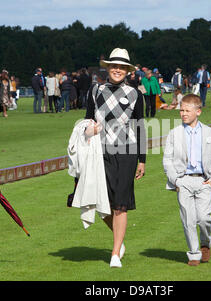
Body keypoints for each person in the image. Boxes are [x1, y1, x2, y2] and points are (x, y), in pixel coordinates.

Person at [84, 48, 146, 268]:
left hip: (126, 153)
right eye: (114, 66)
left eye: (122, 67)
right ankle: (120, 242)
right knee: (99, 204)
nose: (117, 70)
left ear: (128, 71)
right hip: (98, 153)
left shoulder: (135, 94)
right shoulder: (94, 90)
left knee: (120, 205)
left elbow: (140, 127)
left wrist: (142, 159)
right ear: (108, 68)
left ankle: (115, 253)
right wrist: (88, 132)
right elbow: (86, 122)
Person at [163, 94, 211, 266]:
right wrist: (176, 180)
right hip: (184, 181)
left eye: (187, 110)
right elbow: (167, 159)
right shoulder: (174, 133)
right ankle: (194, 253)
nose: (183, 114)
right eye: (181, 110)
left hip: (204, 181)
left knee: (204, 218)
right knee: (188, 219)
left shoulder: (209, 132)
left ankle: (205, 243)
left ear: (198, 112)